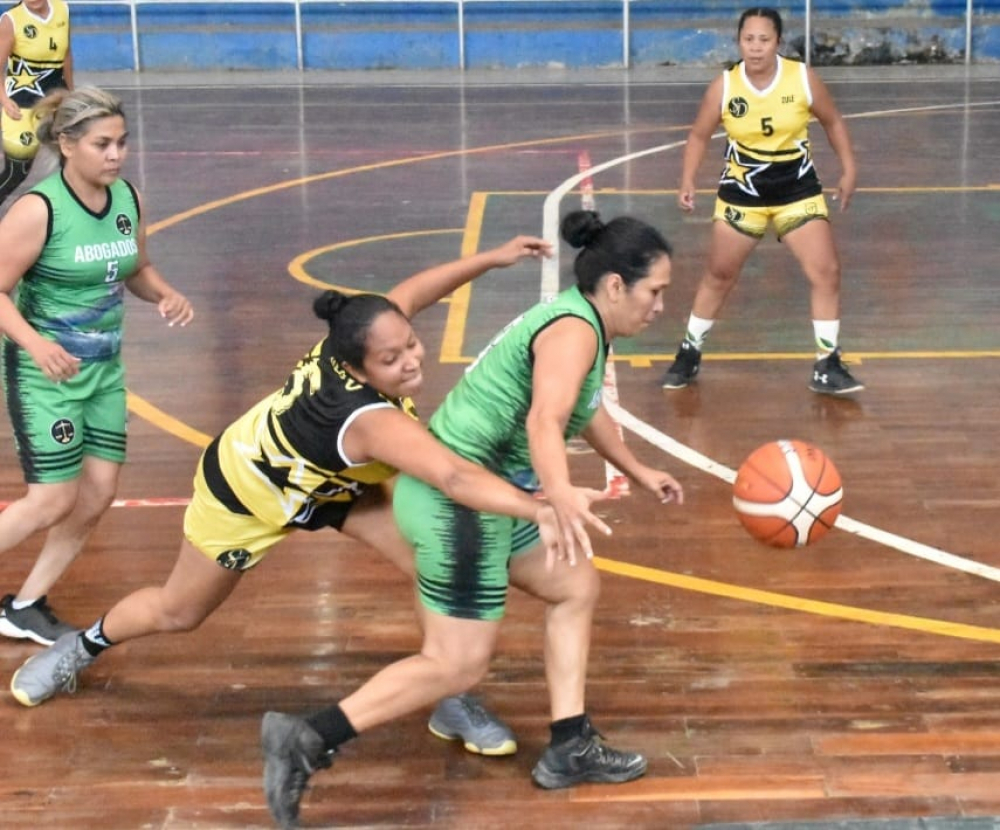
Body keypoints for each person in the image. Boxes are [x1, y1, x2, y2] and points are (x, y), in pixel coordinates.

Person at [10, 232, 612, 757]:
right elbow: (452, 476)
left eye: (409, 345)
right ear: (356, 369)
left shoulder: (354, 338)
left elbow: (410, 295)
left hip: (335, 483)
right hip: (249, 491)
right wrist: (541, 504)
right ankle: (79, 646)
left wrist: (489, 259)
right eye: (392, 358)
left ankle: (448, 692)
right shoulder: (369, 420)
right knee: (179, 611)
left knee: (430, 562)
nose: (410, 362)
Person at [260, 209, 686, 829]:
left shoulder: (581, 319)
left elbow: (579, 407)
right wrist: (559, 496)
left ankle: (569, 744)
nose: (659, 306)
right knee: (456, 663)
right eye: (655, 292)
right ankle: (306, 737)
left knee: (574, 584)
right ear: (616, 285)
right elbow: (545, 421)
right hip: (459, 501)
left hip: (484, 492)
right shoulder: (575, 334)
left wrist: (636, 468)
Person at [0, 86, 193, 645]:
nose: (115, 155)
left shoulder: (128, 199)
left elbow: (135, 268)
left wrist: (162, 293)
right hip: (45, 374)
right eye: (102, 144)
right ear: (66, 144)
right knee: (52, 499)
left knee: (99, 490)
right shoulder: (39, 210)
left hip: (104, 371)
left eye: (122, 143)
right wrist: (37, 346)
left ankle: (25, 604)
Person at [660, 6, 863, 396]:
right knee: (719, 275)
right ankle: (689, 351)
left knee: (826, 271)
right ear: (739, 42)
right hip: (744, 193)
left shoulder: (802, 79)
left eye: (763, 40)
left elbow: (834, 121)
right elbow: (699, 135)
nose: (755, 48)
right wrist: (688, 178)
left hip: (796, 189)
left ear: (778, 43)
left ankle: (827, 363)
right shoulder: (724, 87)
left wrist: (849, 169)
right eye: (748, 40)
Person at [1, 0, 72, 207]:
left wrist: (70, 92)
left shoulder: (62, 9)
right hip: (22, 104)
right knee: (17, 172)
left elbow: (66, 54)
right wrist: (4, 99)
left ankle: (71, 213)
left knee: (71, 159)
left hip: (56, 100)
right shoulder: (10, 20)